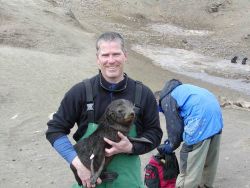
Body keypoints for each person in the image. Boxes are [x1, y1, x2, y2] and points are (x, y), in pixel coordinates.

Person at [46, 32, 163, 188]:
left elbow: (154, 133)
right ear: (97, 59)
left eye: (116, 54)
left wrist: (131, 147)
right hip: (89, 180)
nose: (111, 60)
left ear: (125, 56)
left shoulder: (143, 94)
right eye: (105, 55)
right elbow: (55, 130)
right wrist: (78, 165)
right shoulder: (80, 92)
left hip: (128, 182)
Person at [157, 79, 223, 188]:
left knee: (188, 163)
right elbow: (182, 120)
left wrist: (171, 145)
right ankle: (205, 185)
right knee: (208, 160)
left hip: (200, 118)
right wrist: (173, 139)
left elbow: (175, 128)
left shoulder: (166, 100)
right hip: (215, 116)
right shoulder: (181, 90)